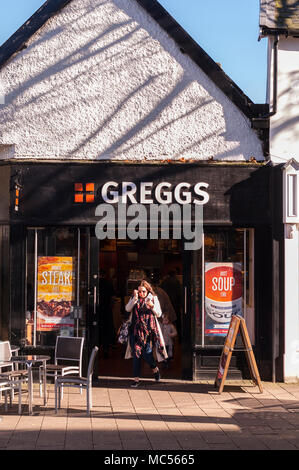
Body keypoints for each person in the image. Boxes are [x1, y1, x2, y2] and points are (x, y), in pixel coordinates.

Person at [125, 280, 168, 387]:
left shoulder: (153, 298)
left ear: (148, 291)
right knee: (136, 355)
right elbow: (127, 308)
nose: (141, 294)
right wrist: (134, 298)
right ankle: (136, 379)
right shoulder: (135, 298)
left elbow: (158, 314)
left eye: (143, 291)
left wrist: (152, 305)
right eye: (139, 291)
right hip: (135, 331)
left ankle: (155, 369)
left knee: (147, 354)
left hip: (148, 332)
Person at [98, 269, 115, 358]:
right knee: (107, 329)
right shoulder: (109, 284)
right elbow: (112, 298)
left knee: (98, 329)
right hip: (107, 310)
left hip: (97, 310)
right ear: (105, 275)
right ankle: (106, 348)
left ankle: (96, 348)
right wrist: (111, 307)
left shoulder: (96, 284)